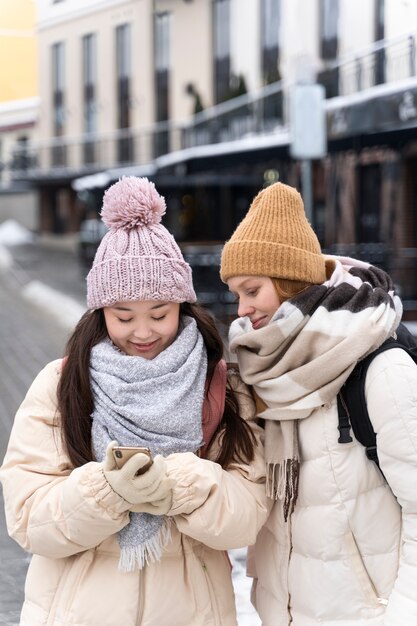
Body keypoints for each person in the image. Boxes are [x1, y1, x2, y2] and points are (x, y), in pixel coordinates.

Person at [0, 176, 269, 626]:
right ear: (100, 311)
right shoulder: (64, 384)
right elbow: (28, 517)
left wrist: (176, 487)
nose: (142, 333)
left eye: (160, 314)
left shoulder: (220, 386)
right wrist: (107, 491)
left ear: (183, 307)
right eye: (123, 316)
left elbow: (248, 516)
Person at [220, 181, 417, 626]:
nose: (242, 309)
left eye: (252, 290)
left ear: (289, 279)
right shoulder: (262, 374)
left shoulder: (378, 366)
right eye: (236, 294)